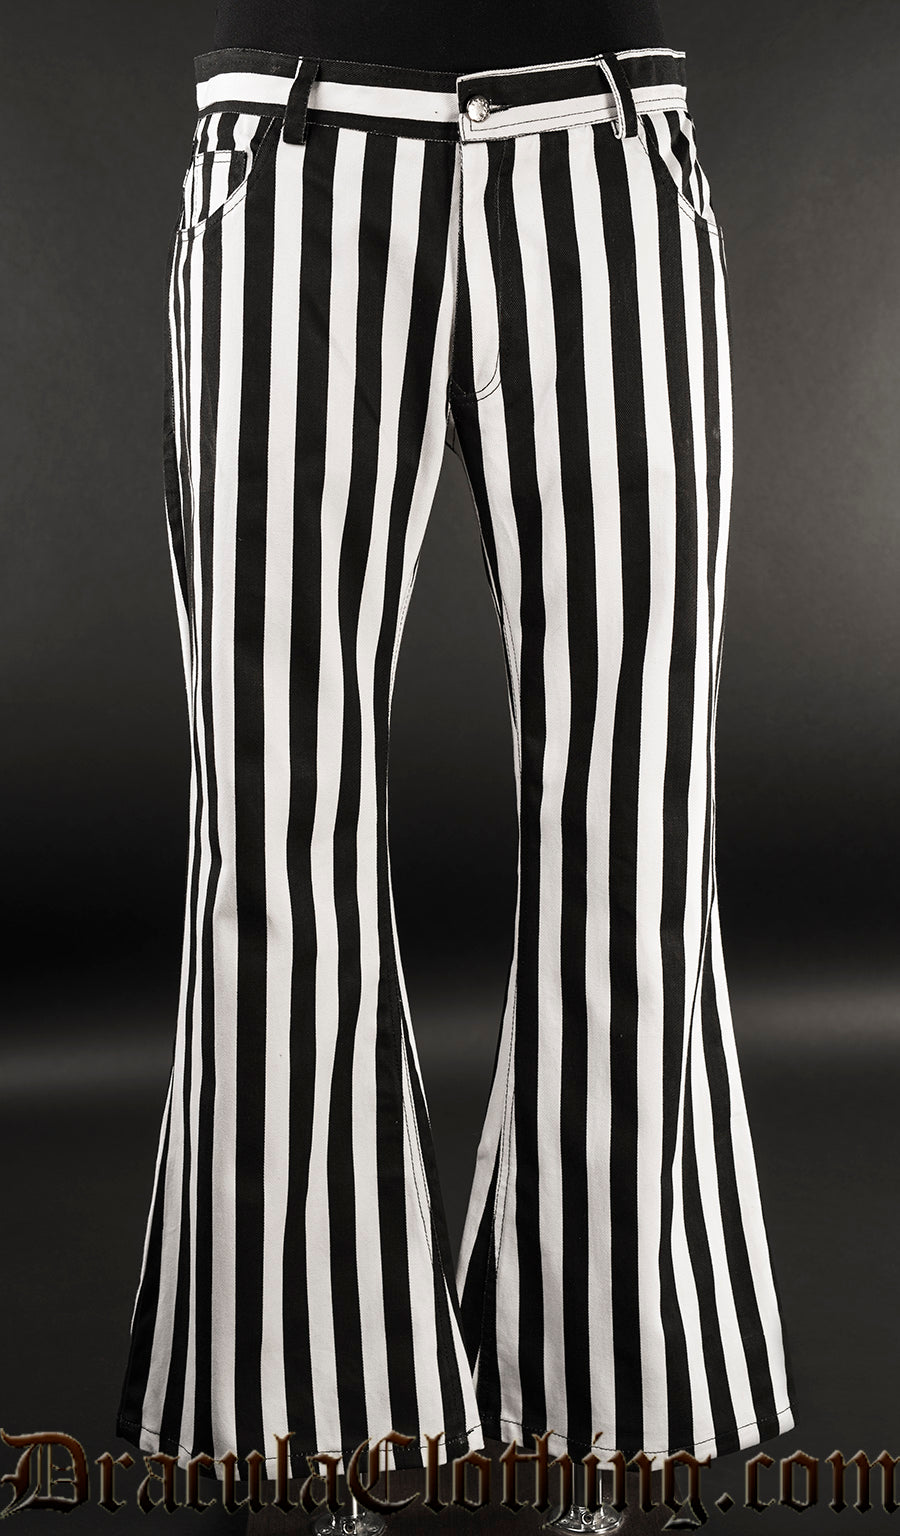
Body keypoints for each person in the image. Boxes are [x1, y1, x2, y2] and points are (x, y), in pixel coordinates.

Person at [115, 3, 798, 1524]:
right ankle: (307, 1412)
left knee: (636, 815)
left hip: (604, 157)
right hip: (299, 153)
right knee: (276, 814)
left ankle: (609, 1409)